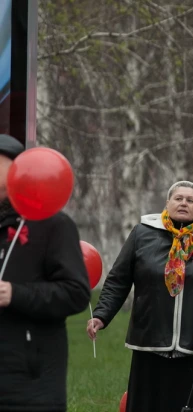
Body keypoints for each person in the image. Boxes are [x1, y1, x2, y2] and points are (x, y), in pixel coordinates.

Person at [87, 181, 193, 412]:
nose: (183, 203)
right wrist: (101, 315)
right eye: (178, 198)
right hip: (149, 340)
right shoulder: (142, 233)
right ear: (167, 203)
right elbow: (119, 279)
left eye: (190, 200)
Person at [0, 136, 91, 412]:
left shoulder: (53, 225)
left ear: (19, 170)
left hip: (29, 385)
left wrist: (15, 294)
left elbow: (75, 293)